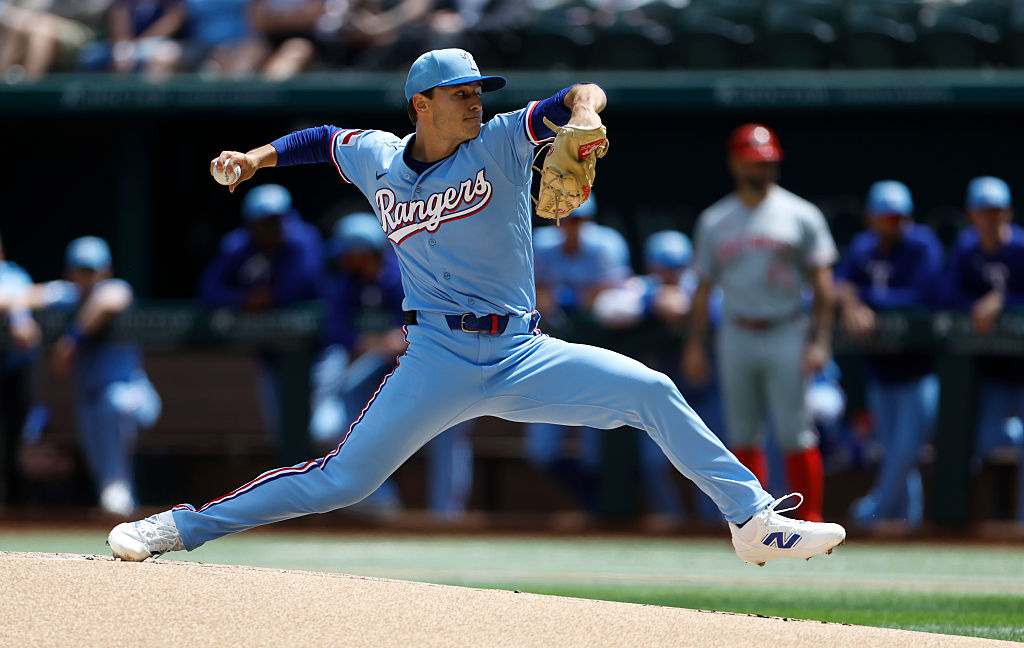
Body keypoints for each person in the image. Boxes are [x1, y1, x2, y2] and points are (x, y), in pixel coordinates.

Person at [107, 48, 846, 565]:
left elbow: (581, 93)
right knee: (344, 480)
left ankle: (751, 520)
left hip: (525, 352)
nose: (475, 100)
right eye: (461, 92)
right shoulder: (378, 157)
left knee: (651, 390)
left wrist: (584, 117)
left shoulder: (499, 140)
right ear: (421, 105)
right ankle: (179, 527)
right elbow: (321, 140)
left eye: (478, 90)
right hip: (436, 359)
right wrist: (254, 159)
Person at [683, 123, 837, 523]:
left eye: (767, 162)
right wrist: (696, 344)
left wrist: (820, 340)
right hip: (736, 330)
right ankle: (753, 522)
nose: (762, 169)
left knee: (795, 432)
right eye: (753, 162)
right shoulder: (716, 219)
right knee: (742, 433)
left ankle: (810, 522)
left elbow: (823, 284)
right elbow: (703, 289)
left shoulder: (800, 213)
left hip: (785, 328)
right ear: (736, 163)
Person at [313, 211, 473, 520]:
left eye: (349, 254)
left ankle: (448, 517)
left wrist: (401, 334)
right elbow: (334, 329)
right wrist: (368, 342)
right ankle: (378, 499)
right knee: (345, 414)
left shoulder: (403, 274)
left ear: (364, 251)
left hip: (436, 366)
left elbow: (425, 321)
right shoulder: (347, 284)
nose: (344, 260)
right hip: (383, 371)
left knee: (449, 429)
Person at [593, 229, 726, 527]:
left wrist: (691, 304)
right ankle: (673, 523)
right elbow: (606, 308)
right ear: (653, 267)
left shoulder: (703, 288)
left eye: (677, 269)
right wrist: (652, 301)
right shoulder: (641, 288)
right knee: (653, 463)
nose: (671, 275)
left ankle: (714, 525)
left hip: (704, 392)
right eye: (664, 269)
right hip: (662, 398)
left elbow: (725, 309)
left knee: (711, 462)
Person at [834, 180, 943, 530]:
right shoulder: (864, 247)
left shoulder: (922, 245)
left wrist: (863, 300)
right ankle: (906, 525)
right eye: (885, 218)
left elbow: (922, 294)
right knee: (894, 452)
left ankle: (872, 511)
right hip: (881, 369)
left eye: (898, 218)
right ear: (871, 218)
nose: (892, 224)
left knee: (906, 450)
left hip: (919, 369)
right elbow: (840, 285)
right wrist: (851, 301)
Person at [30, 237, 162, 516]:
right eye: (82, 270)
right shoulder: (65, 294)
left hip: (135, 397)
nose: (89, 278)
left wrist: (71, 340)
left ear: (106, 271)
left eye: (93, 271)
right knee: (103, 470)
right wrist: (19, 316)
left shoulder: (114, 288)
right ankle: (118, 506)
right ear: (70, 273)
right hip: (89, 403)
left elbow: (108, 300)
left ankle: (119, 493)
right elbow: (20, 295)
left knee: (114, 402)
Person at [198, 183, 324, 451]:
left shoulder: (303, 240)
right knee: (282, 430)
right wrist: (243, 300)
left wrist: (269, 298)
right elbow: (208, 291)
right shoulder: (238, 246)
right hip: (270, 354)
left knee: (323, 427)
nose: (272, 227)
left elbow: (305, 284)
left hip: (317, 352)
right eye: (265, 221)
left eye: (277, 220)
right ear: (252, 223)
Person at [527, 195, 629, 516]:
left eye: (580, 220)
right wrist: (570, 296)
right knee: (540, 449)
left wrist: (562, 295)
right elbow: (533, 295)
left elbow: (605, 298)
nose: (574, 228)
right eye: (568, 220)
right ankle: (589, 502)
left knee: (594, 451)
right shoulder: (541, 245)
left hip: (595, 356)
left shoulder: (607, 245)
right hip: (548, 359)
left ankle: (600, 512)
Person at [943, 175, 1024, 524]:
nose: (991, 218)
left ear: (1008, 212)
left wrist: (1002, 302)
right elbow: (945, 295)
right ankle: (971, 524)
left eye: (997, 211)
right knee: (983, 443)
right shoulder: (965, 249)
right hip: (989, 374)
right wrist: (976, 305)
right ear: (971, 214)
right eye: (984, 211)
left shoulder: (1020, 247)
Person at [0, 233, 43, 508]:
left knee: (16, 440)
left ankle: (15, 504)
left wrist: (18, 315)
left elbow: (24, 324)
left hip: (13, 370)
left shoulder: (13, 274)